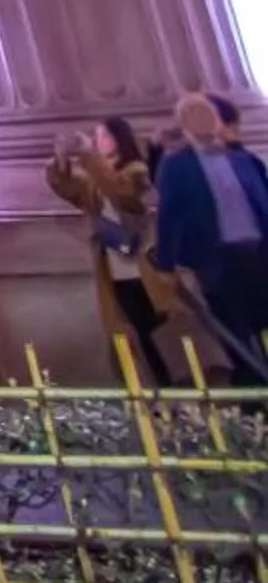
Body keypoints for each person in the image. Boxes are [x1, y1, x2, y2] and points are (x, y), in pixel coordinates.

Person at [47, 120, 177, 385]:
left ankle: (173, 391)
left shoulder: (137, 171)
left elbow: (121, 193)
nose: (98, 140)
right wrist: (61, 158)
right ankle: (149, 396)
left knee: (158, 336)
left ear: (120, 138)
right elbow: (70, 189)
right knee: (131, 337)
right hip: (114, 269)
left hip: (144, 269)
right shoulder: (95, 179)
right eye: (95, 136)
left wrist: (88, 156)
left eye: (104, 135)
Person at [152, 94, 268, 383]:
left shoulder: (245, 160)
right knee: (238, 338)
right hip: (217, 263)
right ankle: (255, 407)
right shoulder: (178, 166)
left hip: (260, 255)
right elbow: (169, 215)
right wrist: (166, 265)